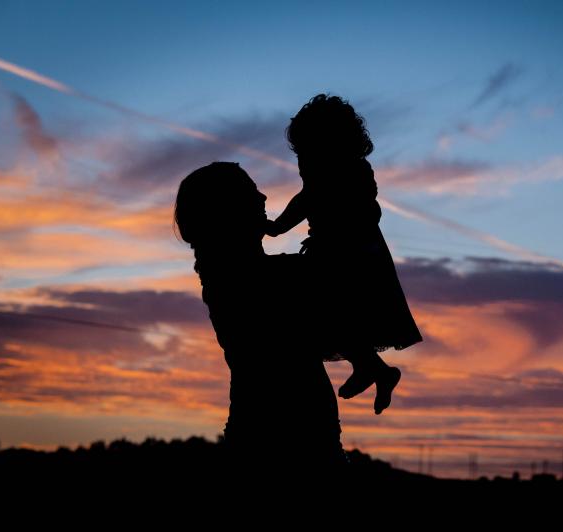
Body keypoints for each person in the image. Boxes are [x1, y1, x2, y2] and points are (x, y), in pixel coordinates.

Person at [173, 161, 349, 487]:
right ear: (228, 210)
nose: (263, 197)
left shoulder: (247, 276)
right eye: (250, 192)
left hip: (292, 444)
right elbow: (333, 272)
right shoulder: (241, 281)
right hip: (279, 451)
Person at [265, 93, 423, 415]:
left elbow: (314, 200)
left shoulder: (345, 169)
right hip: (343, 249)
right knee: (337, 317)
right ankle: (375, 369)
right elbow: (309, 197)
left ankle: (375, 370)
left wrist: (281, 225)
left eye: (306, 153)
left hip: (347, 253)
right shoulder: (345, 167)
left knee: (331, 311)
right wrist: (282, 225)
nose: (302, 163)